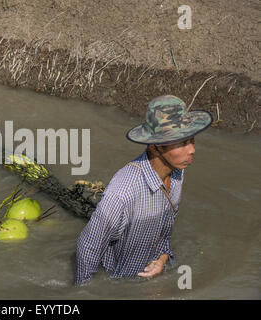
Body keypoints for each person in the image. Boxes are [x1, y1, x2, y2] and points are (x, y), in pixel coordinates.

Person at [75, 95, 213, 285]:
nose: (192, 150)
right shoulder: (123, 192)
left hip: (149, 277)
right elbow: (88, 247)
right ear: (155, 147)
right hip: (117, 283)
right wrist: (85, 290)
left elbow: (166, 230)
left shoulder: (177, 173)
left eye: (191, 140)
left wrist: (162, 259)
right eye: (181, 143)